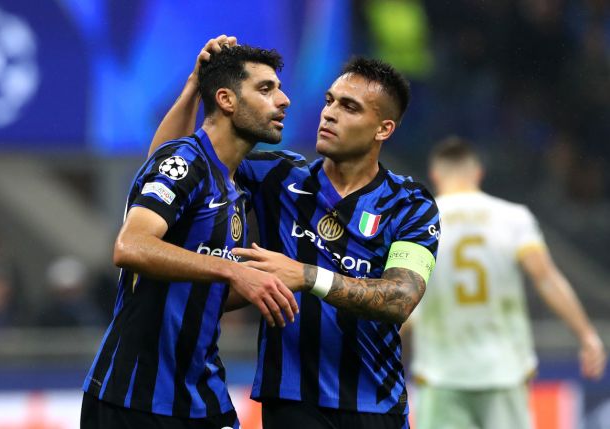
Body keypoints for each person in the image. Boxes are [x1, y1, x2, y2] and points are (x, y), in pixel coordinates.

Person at [150, 39, 440, 429]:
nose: (329, 114)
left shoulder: (410, 203)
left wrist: (305, 275)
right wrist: (193, 88)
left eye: (349, 107)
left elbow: (400, 299)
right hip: (290, 403)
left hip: (375, 406)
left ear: (383, 129)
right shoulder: (278, 176)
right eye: (330, 100)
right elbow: (168, 168)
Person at [81, 37, 299, 429]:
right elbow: (130, 246)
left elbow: (198, 287)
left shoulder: (233, 186)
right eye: (266, 89)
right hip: (132, 397)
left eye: (280, 89)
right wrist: (234, 271)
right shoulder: (187, 162)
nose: (282, 100)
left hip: (201, 393)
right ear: (227, 100)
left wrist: (267, 283)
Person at [407, 136, 607, 429]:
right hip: (504, 370)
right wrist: (587, 336)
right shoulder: (513, 218)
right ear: (477, 173)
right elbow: (547, 279)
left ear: (436, 175)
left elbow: (404, 300)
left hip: (441, 374)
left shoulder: (418, 222)